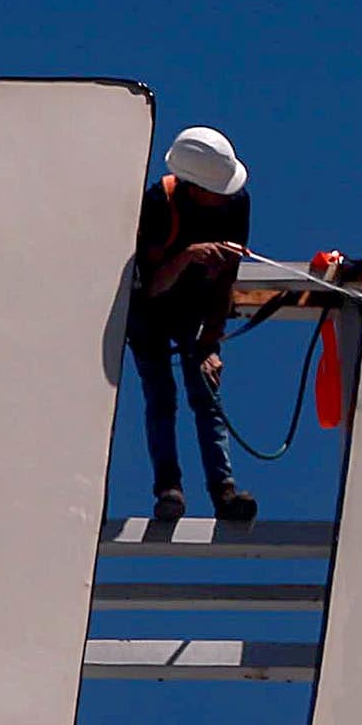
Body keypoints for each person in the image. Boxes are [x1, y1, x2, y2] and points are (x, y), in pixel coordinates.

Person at [132, 125, 257, 525]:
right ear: (192, 184)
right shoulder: (160, 202)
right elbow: (150, 287)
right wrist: (187, 256)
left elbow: (227, 278)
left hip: (196, 309)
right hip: (151, 311)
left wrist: (211, 341)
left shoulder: (237, 203)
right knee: (161, 398)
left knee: (206, 396)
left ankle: (224, 492)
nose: (223, 197)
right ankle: (169, 489)